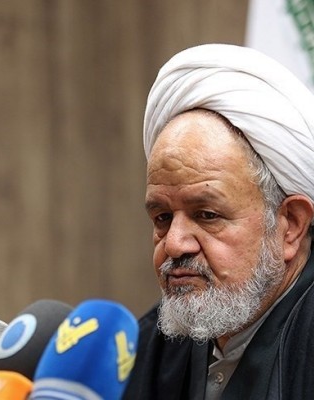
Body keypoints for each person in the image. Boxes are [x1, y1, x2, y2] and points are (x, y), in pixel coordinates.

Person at [123, 43, 314, 400]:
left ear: (290, 225)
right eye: (163, 217)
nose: (174, 244)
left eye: (207, 215)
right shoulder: (149, 349)